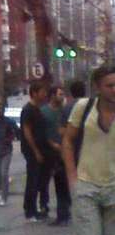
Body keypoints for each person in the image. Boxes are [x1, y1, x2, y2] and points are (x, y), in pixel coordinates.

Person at [61, 64, 115, 235]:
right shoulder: (83, 109)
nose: (114, 90)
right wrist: (72, 176)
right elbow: (68, 142)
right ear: (98, 87)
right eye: (110, 85)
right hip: (86, 185)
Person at [40, 85, 72, 225]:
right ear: (52, 95)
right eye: (60, 94)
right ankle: (44, 206)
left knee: (63, 183)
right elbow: (41, 132)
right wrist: (51, 143)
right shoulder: (44, 112)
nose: (62, 96)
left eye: (63, 94)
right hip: (48, 152)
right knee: (45, 181)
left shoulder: (65, 111)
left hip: (64, 152)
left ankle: (64, 213)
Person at [20, 80, 49, 221]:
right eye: (42, 91)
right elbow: (27, 132)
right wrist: (36, 151)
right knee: (32, 180)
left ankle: (35, 208)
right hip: (32, 151)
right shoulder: (28, 110)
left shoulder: (38, 108)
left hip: (41, 149)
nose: (45, 94)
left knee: (38, 180)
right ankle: (29, 210)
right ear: (34, 93)